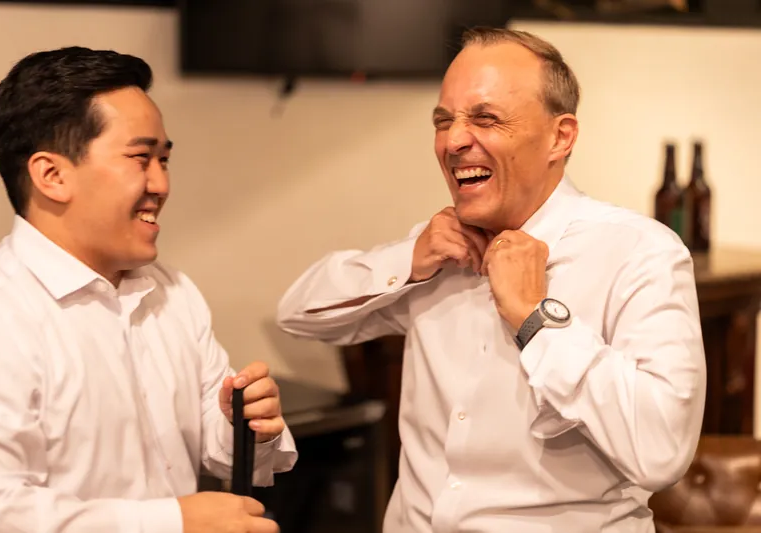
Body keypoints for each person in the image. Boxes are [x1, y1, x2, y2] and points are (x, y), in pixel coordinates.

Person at [277, 27, 706, 533]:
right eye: (444, 121)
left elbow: (662, 451)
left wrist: (538, 320)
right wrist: (409, 258)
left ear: (560, 136)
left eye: (485, 118)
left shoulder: (639, 252)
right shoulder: (438, 252)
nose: (455, 141)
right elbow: (299, 314)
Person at [0, 47, 297, 533]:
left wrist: (246, 428)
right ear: (52, 175)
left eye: (164, 159)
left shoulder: (172, 292)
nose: (161, 184)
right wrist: (172, 522)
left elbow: (224, 455)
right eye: (141, 158)